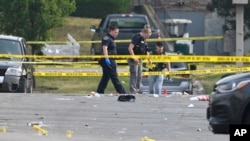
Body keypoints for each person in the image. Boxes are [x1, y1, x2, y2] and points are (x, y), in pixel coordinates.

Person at [96, 25, 127, 94]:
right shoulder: (107, 38)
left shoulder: (111, 38)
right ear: (111, 31)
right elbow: (105, 48)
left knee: (106, 77)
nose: (117, 34)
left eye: (117, 32)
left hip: (110, 59)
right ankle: (122, 92)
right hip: (108, 59)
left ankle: (99, 91)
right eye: (116, 32)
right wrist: (107, 58)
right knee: (114, 76)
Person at [128, 24, 152, 94]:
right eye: (147, 36)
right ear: (144, 33)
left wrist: (149, 59)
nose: (148, 37)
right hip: (133, 59)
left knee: (139, 75)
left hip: (140, 59)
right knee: (134, 74)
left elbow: (146, 50)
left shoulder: (144, 40)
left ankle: (137, 90)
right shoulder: (137, 37)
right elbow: (130, 48)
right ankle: (132, 90)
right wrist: (134, 57)